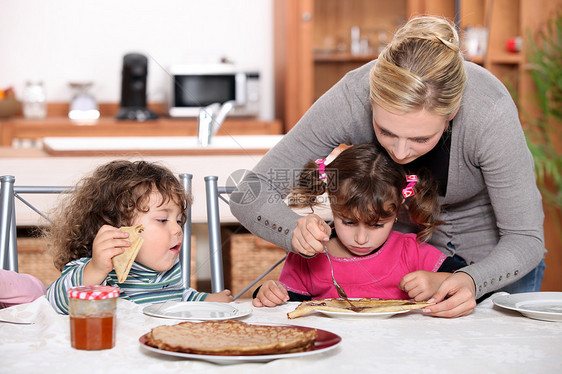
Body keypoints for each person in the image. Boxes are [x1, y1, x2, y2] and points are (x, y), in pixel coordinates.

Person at [231, 16, 546, 317]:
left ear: (453, 112)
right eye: (385, 132)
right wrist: (292, 230)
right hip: (404, 276)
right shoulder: (351, 99)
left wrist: (471, 279)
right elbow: (249, 194)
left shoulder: (489, 113)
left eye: (421, 139)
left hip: (498, 267)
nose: (400, 152)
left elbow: (525, 239)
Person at [253, 144, 466, 307]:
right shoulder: (309, 254)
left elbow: (466, 279)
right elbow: (289, 306)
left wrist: (440, 281)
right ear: (332, 202)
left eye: (376, 225)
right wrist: (268, 293)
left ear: (398, 207)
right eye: (348, 222)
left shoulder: (410, 251)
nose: (361, 239)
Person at [45, 160, 233, 314]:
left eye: (178, 220)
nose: (177, 229)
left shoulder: (168, 269)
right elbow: (54, 301)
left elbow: (178, 297)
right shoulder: (96, 270)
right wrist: (95, 270)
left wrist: (205, 299)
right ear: (118, 228)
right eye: (162, 220)